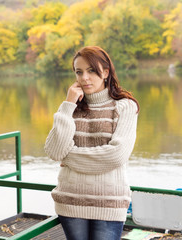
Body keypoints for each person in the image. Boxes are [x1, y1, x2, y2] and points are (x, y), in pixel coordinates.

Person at [44, 46, 139, 240]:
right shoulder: (71, 108)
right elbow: (54, 151)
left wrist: (68, 157)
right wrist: (68, 104)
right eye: (79, 72)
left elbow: (116, 155)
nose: (84, 78)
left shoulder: (125, 106)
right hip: (71, 200)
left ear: (105, 72)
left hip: (109, 201)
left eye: (91, 71)